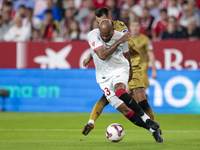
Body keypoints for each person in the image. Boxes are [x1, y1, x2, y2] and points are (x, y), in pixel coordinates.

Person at [86, 19, 164, 142]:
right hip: (108, 74)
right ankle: (152, 129)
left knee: (140, 101)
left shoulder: (137, 38)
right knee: (120, 106)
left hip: (129, 69)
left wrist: (145, 70)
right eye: (103, 35)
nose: (105, 38)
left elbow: (140, 55)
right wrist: (89, 57)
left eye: (137, 25)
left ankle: (150, 124)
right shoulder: (96, 35)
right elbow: (100, 52)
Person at [129, 19, 157, 90]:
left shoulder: (145, 39)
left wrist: (154, 71)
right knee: (127, 92)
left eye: (137, 26)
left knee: (140, 91)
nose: (135, 28)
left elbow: (151, 55)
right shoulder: (126, 39)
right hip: (130, 69)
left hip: (142, 69)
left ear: (140, 27)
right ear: (130, 27)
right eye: (133, 26)